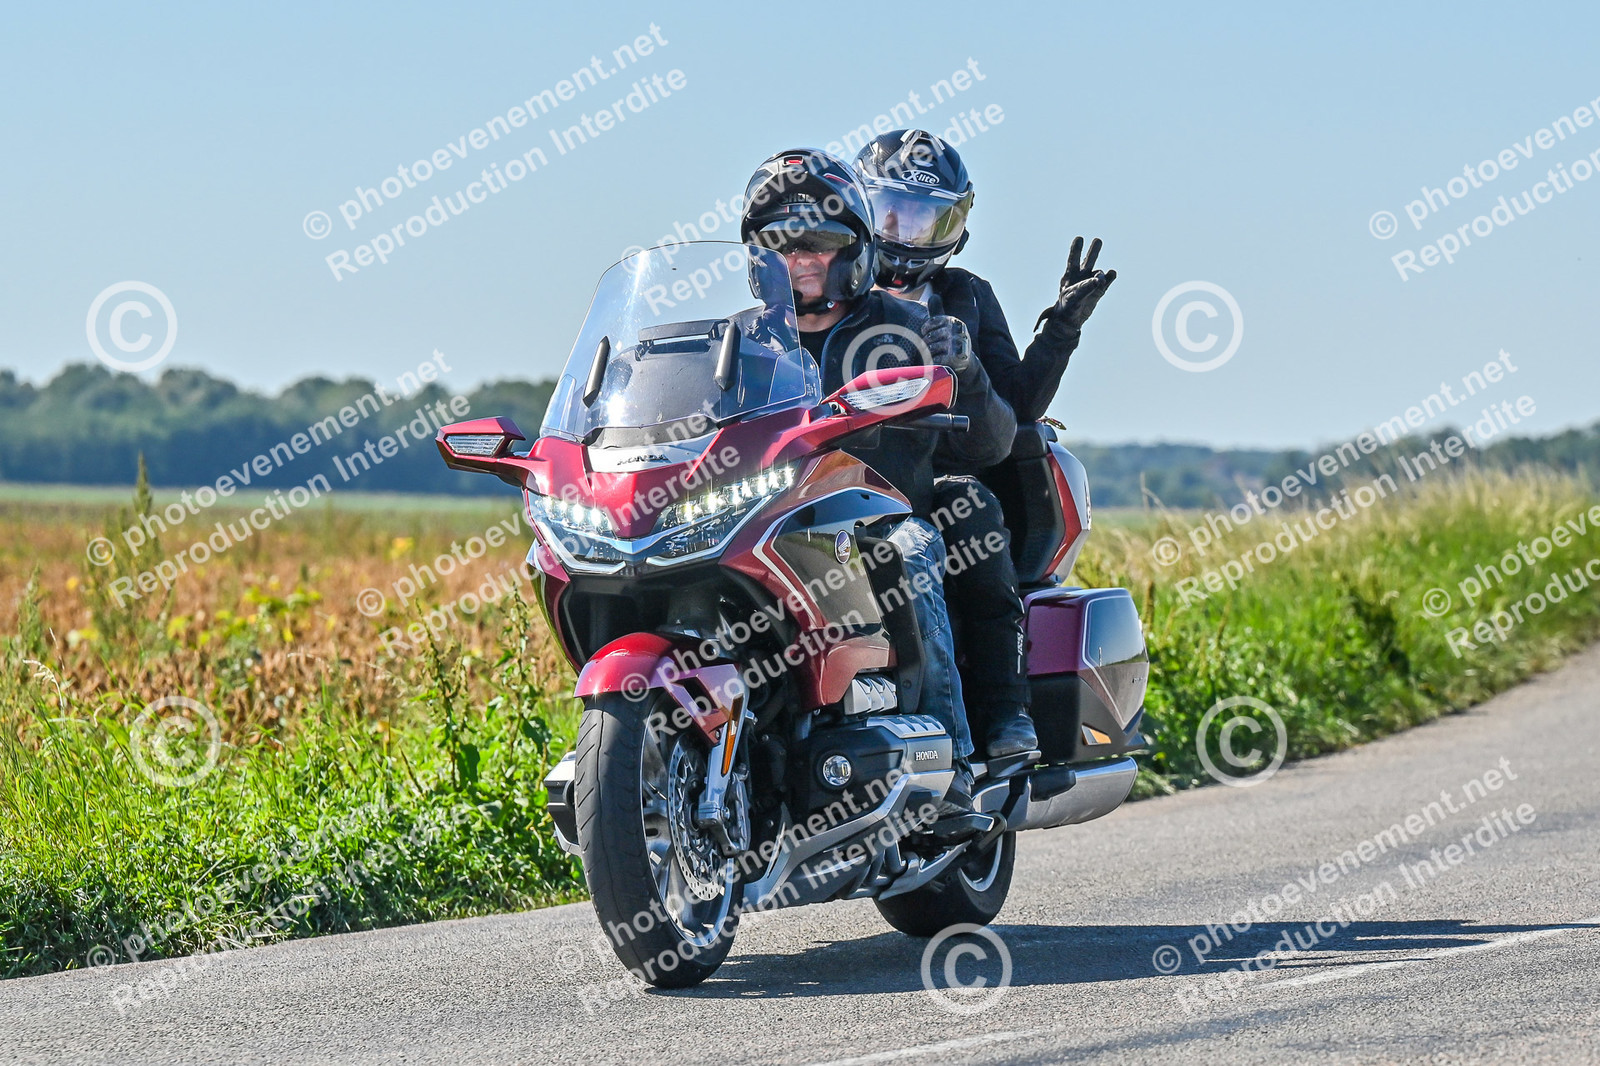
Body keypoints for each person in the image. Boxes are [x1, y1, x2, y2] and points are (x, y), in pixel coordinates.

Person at [739, 147, 1017, 805]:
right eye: (781, 244)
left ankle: (950, 769)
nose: (801, 259)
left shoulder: (910, 326)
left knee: (912, 551)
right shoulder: (735, 342)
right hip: (762, 523)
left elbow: (994, 443)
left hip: (876, 520)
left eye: (820, 243)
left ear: (854, 249)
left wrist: (966, 371)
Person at [854, 130, 1118, 759]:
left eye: (927, 218)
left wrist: (1061, 329)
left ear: (956, 226)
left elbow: (1017, 405)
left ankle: (1004, 712)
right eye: (893, 212)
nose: (906, 231)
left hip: (934, 477)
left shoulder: (966, 295)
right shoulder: (831, 296)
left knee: (968, 509)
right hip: (833, 473)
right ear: (860, 210)